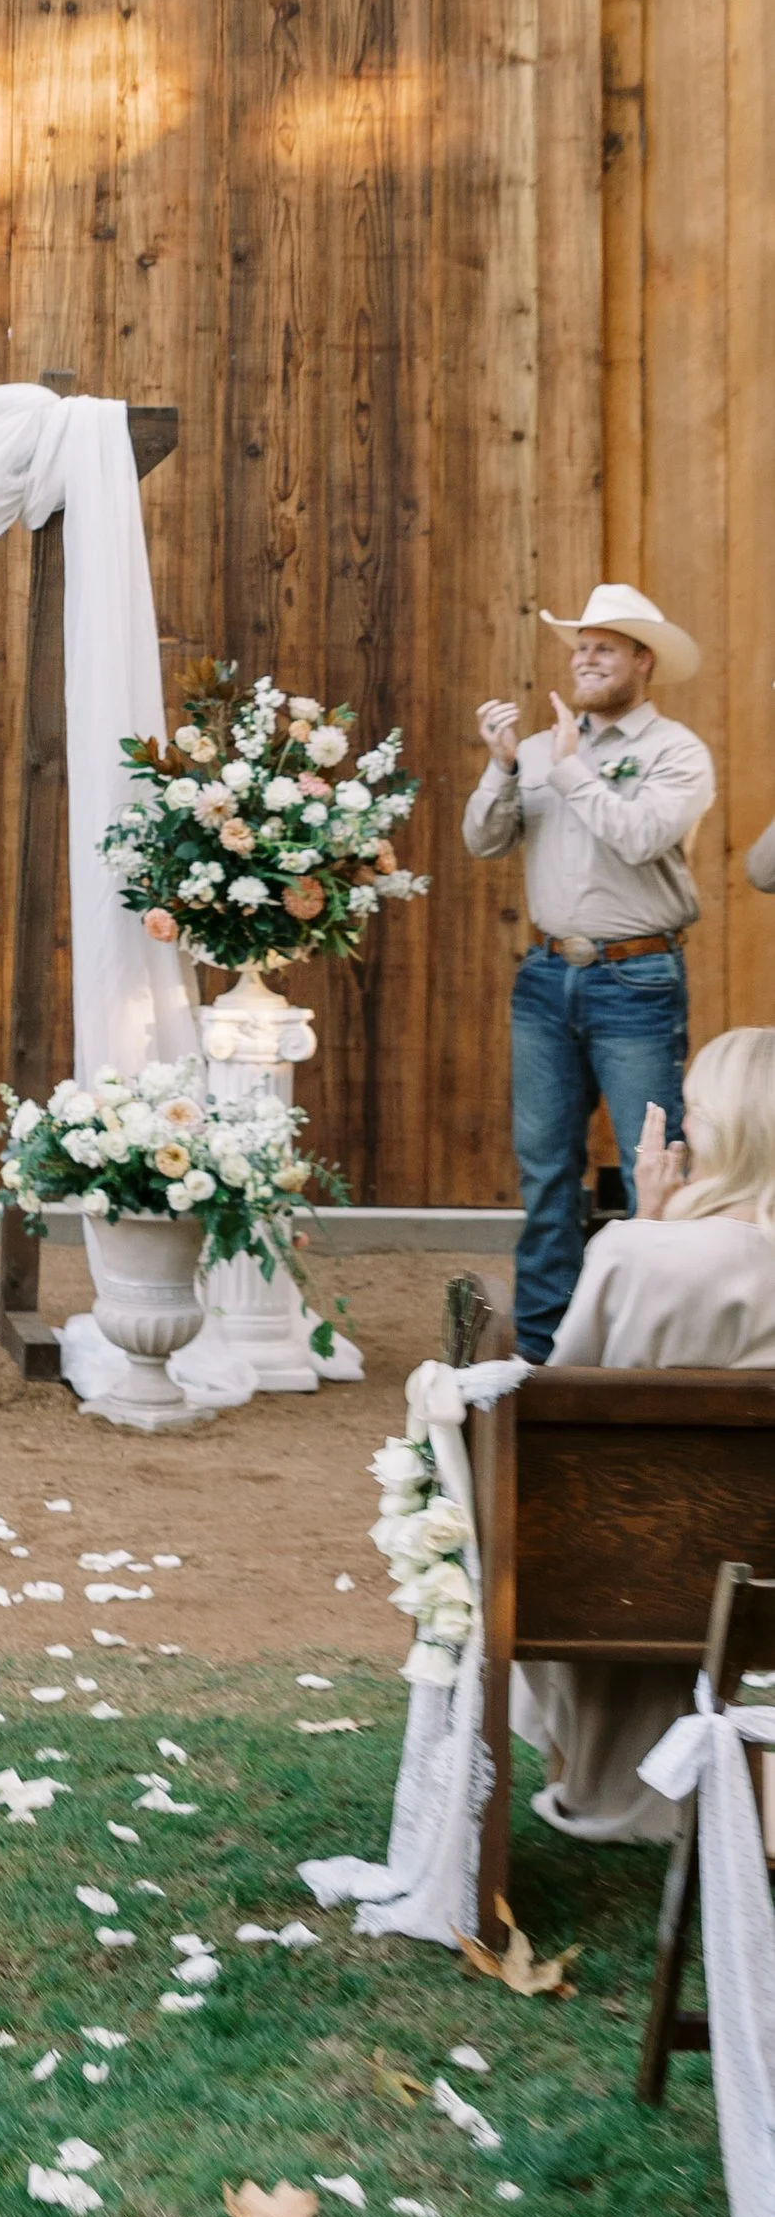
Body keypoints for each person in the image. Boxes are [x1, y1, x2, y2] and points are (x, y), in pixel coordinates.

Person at [512, 1032, 775, 1842]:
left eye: (693, 1112)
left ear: (720, 1131)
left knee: (549, 1507)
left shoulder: (633, 1253)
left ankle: (595, 1775)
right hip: (763, 1570)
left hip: (613, 1569)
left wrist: (648, 1225)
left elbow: (559, 1404)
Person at [463, 584, 714, 1365]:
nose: (585, 659)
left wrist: (570, 771)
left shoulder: (678, 751)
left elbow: (640, 837)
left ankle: (651, 1352)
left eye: (605, 647)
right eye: (580, 647)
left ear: (644, 661)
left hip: (636, 980)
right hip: (544, 979)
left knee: (653, 1173)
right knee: (545, 1174)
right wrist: (505, 768)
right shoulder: (538, 749)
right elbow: (483, 841)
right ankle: (539, 1358)